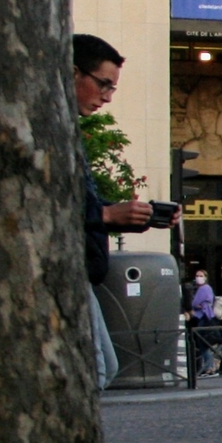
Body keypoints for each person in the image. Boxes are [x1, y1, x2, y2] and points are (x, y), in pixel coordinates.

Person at [74, 35, 156, 388]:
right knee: (97, 367)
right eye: (103, 84)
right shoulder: (53, 128)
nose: (107, 97)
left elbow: (77, 201)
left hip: (83, 272)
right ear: (73, 73)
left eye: (112, 89)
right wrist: (106, 216)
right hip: (72, 272)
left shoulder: (68, 129)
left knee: (101, 365)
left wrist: (130, 214)